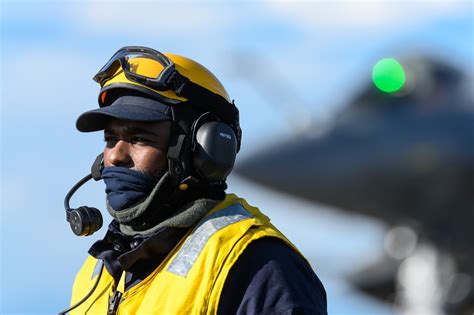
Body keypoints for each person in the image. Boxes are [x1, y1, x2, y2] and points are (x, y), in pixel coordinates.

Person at [63, 46, 327, 315]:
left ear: (203, 149)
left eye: (138, 138)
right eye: (110, 139)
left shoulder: (257, 265)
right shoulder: (97, 273)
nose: (115, 156)